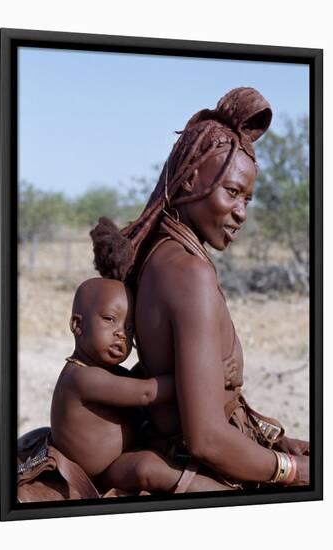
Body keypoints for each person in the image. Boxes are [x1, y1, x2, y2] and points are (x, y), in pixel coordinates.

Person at [90, 87, 310, 490]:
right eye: (231, 192)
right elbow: (206, 437)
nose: (242, 212)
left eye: (248, 198)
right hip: (191, 463)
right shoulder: (188, 272)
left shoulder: (163, 253)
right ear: (191, 178)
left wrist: (277, 444)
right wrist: (292, 471)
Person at [50, 277, 233, 494]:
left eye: (129, 329)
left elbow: (135, 383)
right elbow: (146, 393)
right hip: (101, 472)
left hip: (118, 458)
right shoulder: (82, 377)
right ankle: (226, 495)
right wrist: (204, 376)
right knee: (147, 467)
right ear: (78, 325)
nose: (121, 333)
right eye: (110, 319)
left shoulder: (104, 371)